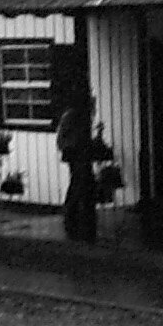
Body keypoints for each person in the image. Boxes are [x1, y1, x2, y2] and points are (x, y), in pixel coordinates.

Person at [56, 93, 98, 243]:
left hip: (77, 151)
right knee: (78, 180)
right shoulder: (72, 116)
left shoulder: (79, 116)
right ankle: (71, 211)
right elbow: (62, 138)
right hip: (74, 151)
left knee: (79, 180)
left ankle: (72, 211)